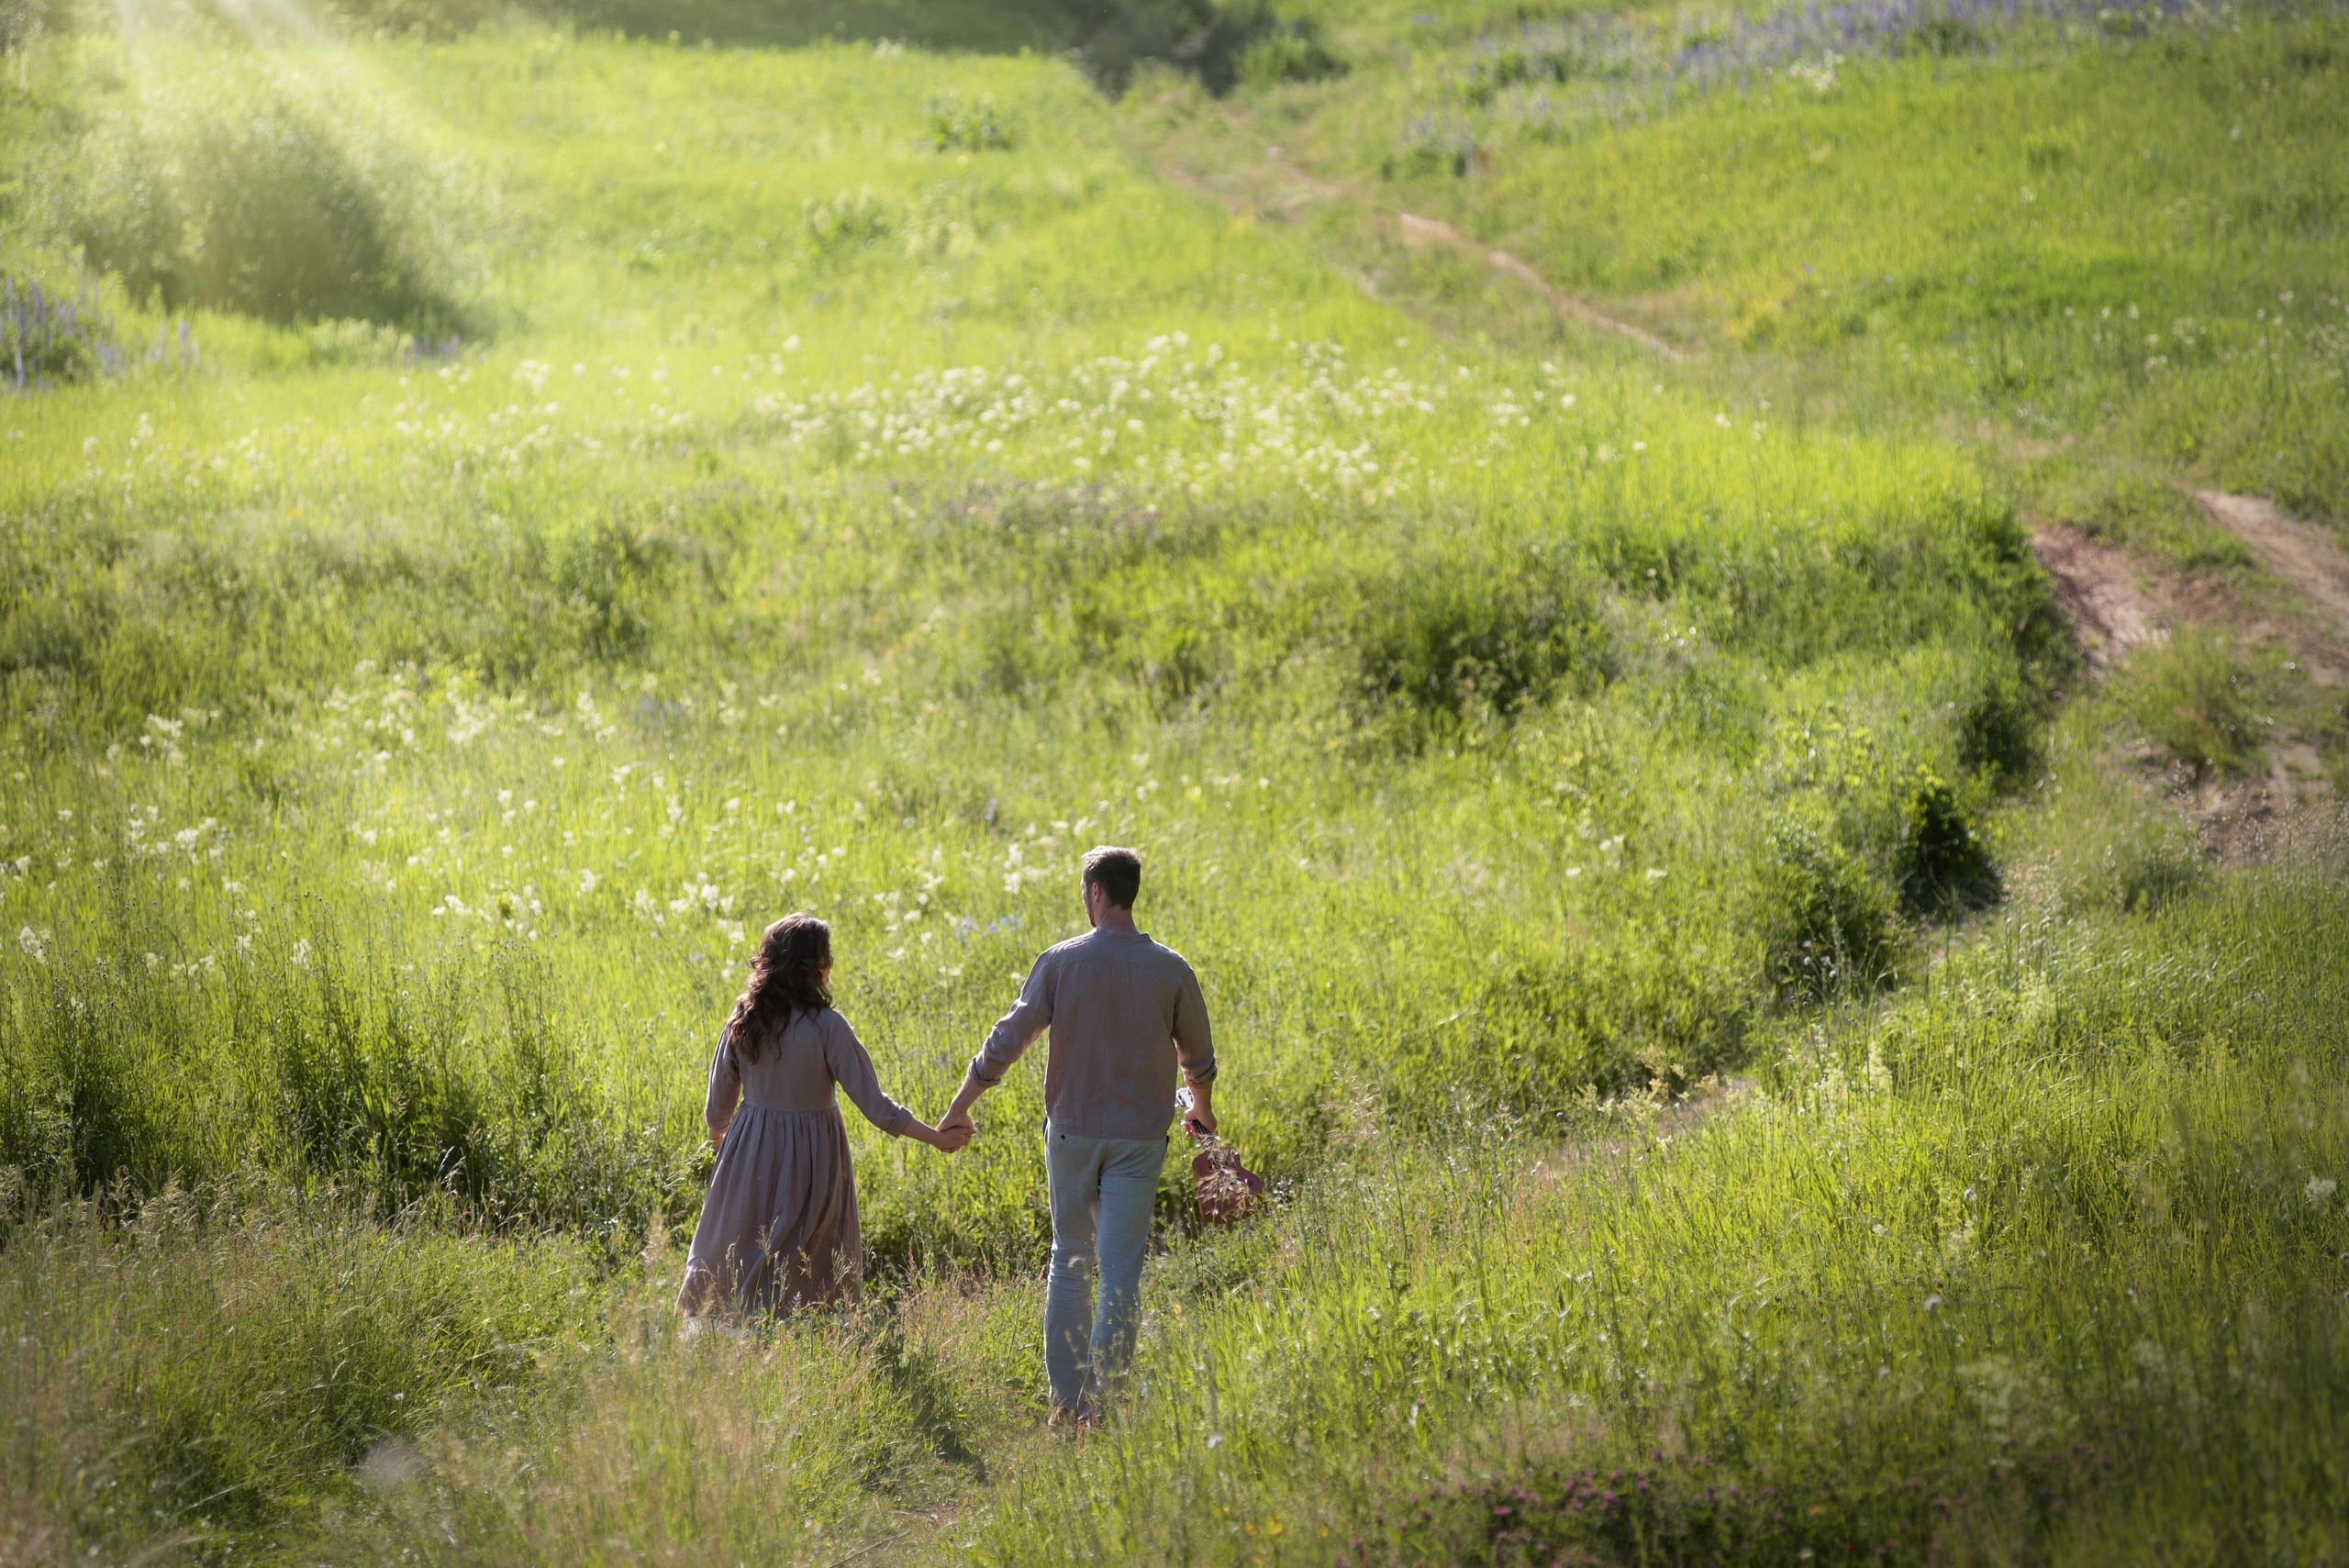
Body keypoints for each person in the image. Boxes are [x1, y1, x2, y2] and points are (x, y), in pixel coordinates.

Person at [937, 845, 1217, 1428]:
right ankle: (1106, 1407)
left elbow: (1006, 1042)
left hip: (1070, 1135)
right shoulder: (1172, 969)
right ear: (1130, 892)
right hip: (1140, 1139)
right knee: (1120, 1272)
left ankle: (1066, 1406)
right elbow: (1199, 1059)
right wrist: (1204, 1113)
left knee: (1070, 1259)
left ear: (1094, 893)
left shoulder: (1061, 962)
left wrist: (959, 1107)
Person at [678, 913, 969, 1323]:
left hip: (749, 1152)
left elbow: (716, 1111)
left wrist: (719, 1146)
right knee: (809, 1250)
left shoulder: (745, 1020)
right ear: (817, 967)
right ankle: (805, 1330)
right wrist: (936, 1138)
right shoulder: (828, 1027)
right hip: (813, 1159)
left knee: (741, 1243)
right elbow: (876, 1107)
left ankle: (732, 1327)